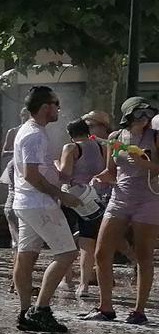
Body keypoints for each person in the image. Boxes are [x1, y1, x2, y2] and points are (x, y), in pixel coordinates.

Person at [9, 86, 88, 334]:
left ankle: (25, 313)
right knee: (67, 253)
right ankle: (41, 310)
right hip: (39, 204)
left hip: (25, 203)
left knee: (26, 257)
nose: (58, 109)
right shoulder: (35, 135)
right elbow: (31, 175)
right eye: (56, 104)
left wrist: (60, 174)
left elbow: (37, 169)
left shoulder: (28, 131)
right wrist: (61, 194)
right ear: (45, 107)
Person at [88, 94, 159, 325]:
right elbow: (111, 170)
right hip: (119, 197)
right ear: (128, 115)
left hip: (148, 200)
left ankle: (139, 311)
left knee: (144, 255)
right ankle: (105, 307)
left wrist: (144, 163)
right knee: (101, 252)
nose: (144, 118)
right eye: (139, 113)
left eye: (148, 113)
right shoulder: (116, 137)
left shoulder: (155, 136)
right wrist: (100, 178)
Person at [59, 118, 108, 298]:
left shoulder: (71, 148)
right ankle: (84, 285)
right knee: (88, 242)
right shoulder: (102, 147)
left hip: (73, 197)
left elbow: (65, 174)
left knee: (65, 239)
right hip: (94, 198)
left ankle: (67, 280)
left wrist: (55, 165)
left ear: (71, 135)